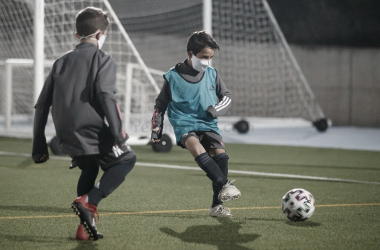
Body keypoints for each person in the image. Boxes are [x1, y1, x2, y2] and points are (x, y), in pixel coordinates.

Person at [32, 7, 136, 241]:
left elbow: (41, 106)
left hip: (66, 134)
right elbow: (105, 95)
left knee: (90, 167)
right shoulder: (102, 59)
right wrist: (118, 133)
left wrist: (39, 145)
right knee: (127, 160)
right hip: (91, 131)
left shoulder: (61, 62)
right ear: (100, 35)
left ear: (77, 35)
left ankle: (83, 229)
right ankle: (90, 202)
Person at [151, 30, 241, 218]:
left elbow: (227, 96)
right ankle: (226, 185)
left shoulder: (212, 74)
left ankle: (216, 207)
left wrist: (216, 110)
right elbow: (160, 105)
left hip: (208, 123)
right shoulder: (172, 76)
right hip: (184, 124)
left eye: (211, 58)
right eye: (204, 57)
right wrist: (156, 129)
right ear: (190, 54)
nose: (207, 61)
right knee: (196, 147)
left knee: (221, 156)